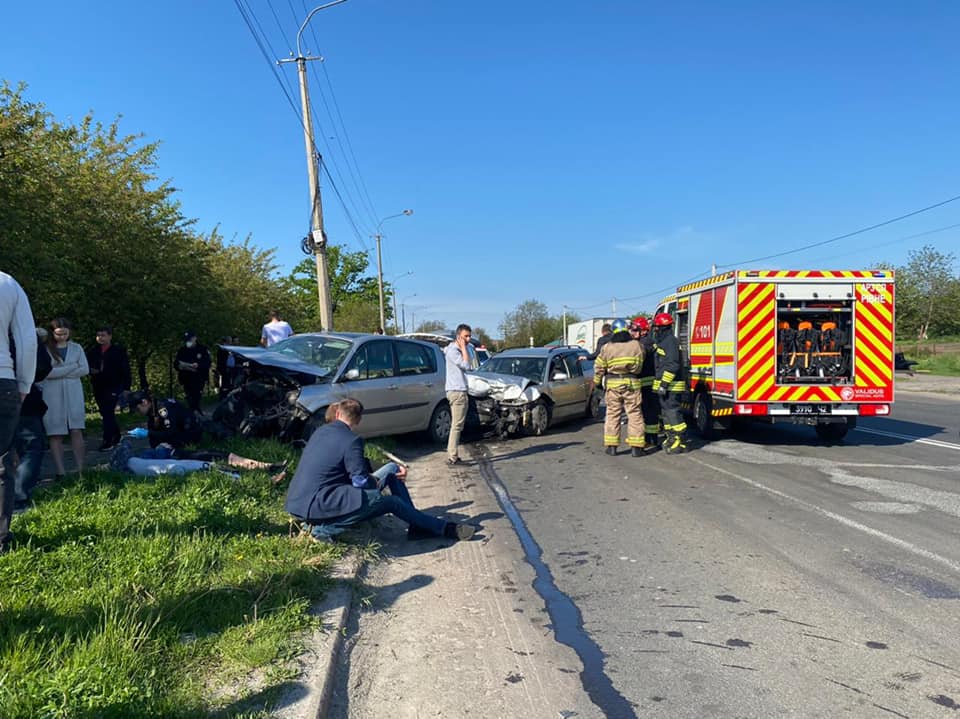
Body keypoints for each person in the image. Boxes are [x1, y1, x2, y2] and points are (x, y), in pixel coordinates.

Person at [284, 398, 476, 544]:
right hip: (318, 504)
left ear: (336, 415)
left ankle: (417, 525)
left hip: (297, 501)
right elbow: (359, 482)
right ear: (358, 420)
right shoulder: (352, 441)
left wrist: (378, 472)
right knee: (390, 502)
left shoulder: (320, 432)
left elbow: (352, 464)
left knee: (392, 470)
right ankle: (320, 531)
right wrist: (373, 483)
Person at [1, 272, 37, 554]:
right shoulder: (8, 282)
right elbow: (27, 340)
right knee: (2, 462)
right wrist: (24, 382)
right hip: (3, 378)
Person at [108, 436, 287, 481]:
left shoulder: (135, 460)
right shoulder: (134, 461)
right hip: (178, 458)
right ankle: (266, 472)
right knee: (214, 463)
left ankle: (266, 469)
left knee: (219, 460)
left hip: (178, 458)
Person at [41, 318, 89, 479]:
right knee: (55, 433)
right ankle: (61, 472)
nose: (62, 337)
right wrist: (71, 367)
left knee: (76, 429)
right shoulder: (46, 349)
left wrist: (60, 371)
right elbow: (47, 373)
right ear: (52, 333)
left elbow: (84, 369)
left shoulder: (77, 348)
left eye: (65, 334)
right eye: (58, 334)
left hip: (74, 393)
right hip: (52, 395)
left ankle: (81, 469)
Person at [593, 318, 645, 457]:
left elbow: (599, 366)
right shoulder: (636, 345)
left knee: (612, 415)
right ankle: (636, 448)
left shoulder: (607, 347)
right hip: (632, 384)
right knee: (634, 415)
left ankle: (612, 447)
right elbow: (640, 365)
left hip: (612, 385)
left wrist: (597, 382)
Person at [13, 328, 52, 507]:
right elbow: (44, 365)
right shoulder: (25, 333)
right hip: (23, 394)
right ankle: (19, 496)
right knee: (31, 446)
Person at [85, 325, 131, 451]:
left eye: (103, 335)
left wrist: (126, 387)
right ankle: (116, 435)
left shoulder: (118, 351)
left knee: (108, 412)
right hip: (98, 384)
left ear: (110, 336)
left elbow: (126, 370)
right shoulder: (93, 351)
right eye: (98, 335)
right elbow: (86, 365)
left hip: (114, 385)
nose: (101, 338)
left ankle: (108, 440)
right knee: (105, 412)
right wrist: (91, 370)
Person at [652, 312, 688, 454]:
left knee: (673, 413)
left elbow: (672, 365)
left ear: (662, 328)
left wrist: (664, 385)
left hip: (671, 386)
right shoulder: (664, 341)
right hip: (666, 386)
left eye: (656, 328)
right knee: (666, 413)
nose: (655, 330)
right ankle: (672, 437)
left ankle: (680, 441)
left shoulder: (670, 342)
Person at [128, 390, 202, 450]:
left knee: (167, 447)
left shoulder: (163, 409)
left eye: (138, 409)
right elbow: (154, 431)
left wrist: (149, 433)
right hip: (178, 430)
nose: (138, 413)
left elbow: (171, 432)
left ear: (144, 402)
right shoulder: (152, 409)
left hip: (189, 432)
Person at [443, 324, 473, 466]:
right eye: (465, 336)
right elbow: (467, 366)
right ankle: (452, 457)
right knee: (456, 425)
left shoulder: (454, 350)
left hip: (458, 390)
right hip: (457, 391)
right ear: (458, 336)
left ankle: (453, 455)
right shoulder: (454, 351)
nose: (468, 339)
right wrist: (463, 348)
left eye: (469, 336)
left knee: (458, 425)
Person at [630, 316, 661, 452]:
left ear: (643, 331)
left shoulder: (645, 343)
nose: (633, 332)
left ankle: (651, 439)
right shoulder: (646, 341)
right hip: (647, 381)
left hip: (646, 382)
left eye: (635, 329)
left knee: (648, 412)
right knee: (649, 412)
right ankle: (651, 438)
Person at [174, 331, 211, 414]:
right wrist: (180, 366)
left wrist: (198, 365)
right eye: (186, 340)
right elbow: (176, 363)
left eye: (190, 339)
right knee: (189, 397)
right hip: (186, 378)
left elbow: (207, 363)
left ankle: (196, 411)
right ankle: (193, 412)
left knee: (197, 396)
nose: (188, 342)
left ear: (195, 338)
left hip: (199, 378)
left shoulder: (203, 349)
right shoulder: (182, 350)